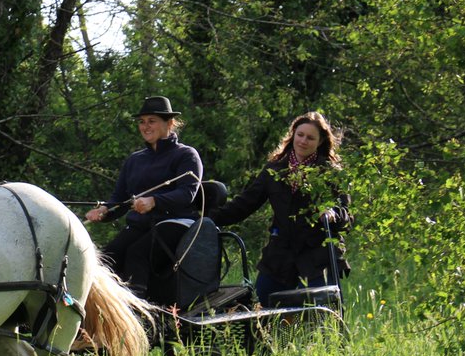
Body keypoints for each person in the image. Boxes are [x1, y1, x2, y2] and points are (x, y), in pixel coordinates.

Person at [207, 111, 352, 306]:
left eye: (310, 138)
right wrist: (207, 217)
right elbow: (245, 204)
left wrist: (333, 214)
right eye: (300, 135)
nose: (303, 141)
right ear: (292, 135)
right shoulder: (274, 169)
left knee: (318, 317)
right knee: (262, 310)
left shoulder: (329, 173)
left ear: (320, 142)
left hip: (315, 258)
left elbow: (347, 215)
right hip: (279, 256)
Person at [85, 96, 203, 296]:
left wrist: (154, 201)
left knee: (136, 253)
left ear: (169, 123)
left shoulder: (186, 155)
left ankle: (138, 315)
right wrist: (105, 210)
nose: (145, 126)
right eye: (142, 122)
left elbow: (187, 193)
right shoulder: (134, 160)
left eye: (152, 121)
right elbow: (120, 198)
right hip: (141, 225)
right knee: (105, 259)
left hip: (175, 223)